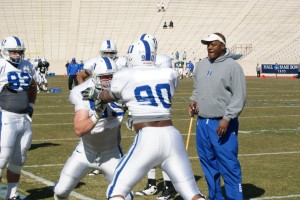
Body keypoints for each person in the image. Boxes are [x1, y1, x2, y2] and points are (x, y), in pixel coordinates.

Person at [81, 40, 206, 200]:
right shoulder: (169, 74)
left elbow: (109, 96)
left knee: (116, 191)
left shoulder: (125, 75)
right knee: (191, 193)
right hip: (172, 136)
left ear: (132, 56)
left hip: (148, 136)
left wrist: (96, 95)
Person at [53, 57, 133, 200]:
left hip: (111, 154)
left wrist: (135, 114)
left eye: (111, 76)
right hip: (85, 152)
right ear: (95, 77)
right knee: (60, 191)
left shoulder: (123, 89)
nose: (109, 80)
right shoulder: (82, 91)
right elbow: (79, 129)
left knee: (125, 197)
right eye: (104, 77)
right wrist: (96, 114)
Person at [189, 32, 246, 200]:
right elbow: (197, 89)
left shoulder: (232, 66)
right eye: (207, 44)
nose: (210, 47)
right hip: (202, 124)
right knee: (208, 165)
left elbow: (239, 96)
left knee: (228, 165)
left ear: (222, 45)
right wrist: (193, 100)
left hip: (222, 123)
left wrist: (227, 118)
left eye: (213, 44)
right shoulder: (201, 65)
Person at [135, 54, 178, 200]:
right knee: (149, 154)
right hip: (150, 120)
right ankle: (152, 184)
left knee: (162, 156)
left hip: (159, 121)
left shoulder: (165, 76)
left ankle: (169, 187)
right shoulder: (166, 75)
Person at [0, 36, 37, 200]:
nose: (17, 54)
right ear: (5, 51)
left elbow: (33, 86)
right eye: (13, 51)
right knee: (2, 159)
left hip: (24, 119)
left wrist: (31, 107)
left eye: (19, 51)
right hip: (6, 117)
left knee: (19, 158)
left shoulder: (27, 66)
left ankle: (12, 193)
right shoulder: (1, 65)